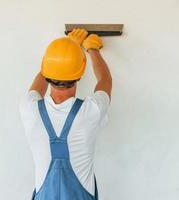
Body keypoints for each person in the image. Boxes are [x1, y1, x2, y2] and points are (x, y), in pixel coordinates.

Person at [19, 29, 112, 200]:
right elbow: (105, 80)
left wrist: (69, 49)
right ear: (81, 71)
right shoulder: (91, 111)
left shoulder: (29, 110)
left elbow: (37, 87)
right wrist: (92, 49)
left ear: (46, 71)